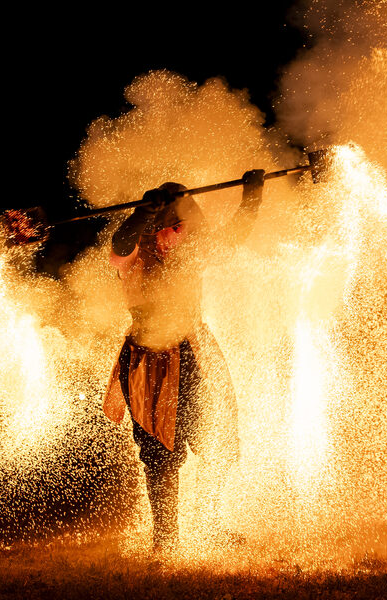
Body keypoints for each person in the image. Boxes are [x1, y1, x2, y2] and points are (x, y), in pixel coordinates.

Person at [103, 169, 265, 552]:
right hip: (147, 358)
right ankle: (165, 541)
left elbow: (231, 238)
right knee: (159, 455)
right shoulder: (132, 251)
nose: (177, 230)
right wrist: (142, 212)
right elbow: (120, 241)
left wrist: (252, 196)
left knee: (214, 440)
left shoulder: (191, 247)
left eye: (181, 221)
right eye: (170, 221)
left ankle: (211, 525)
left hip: (192, 353)